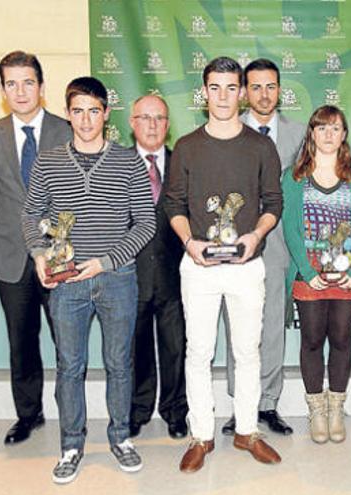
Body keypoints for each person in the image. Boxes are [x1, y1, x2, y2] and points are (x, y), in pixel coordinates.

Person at [22, 77, 155, 483]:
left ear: (106, 114)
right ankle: (71, 445)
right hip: (67, 283)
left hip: (117, 277)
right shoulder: (48, 161)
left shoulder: (128, 161)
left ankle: (120, 438)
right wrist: (41, 255)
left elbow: (145, 223)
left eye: (93, 111)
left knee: (119, 364)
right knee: (70, 366)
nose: (85, 119)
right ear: (68, 113)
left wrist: (107, 260)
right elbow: (31, 216)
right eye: (77, 110)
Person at [164, 56, 283, 472]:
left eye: (232, 87)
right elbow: (173, 203)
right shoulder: (187, 146)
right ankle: (202, 436)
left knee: (247, 351)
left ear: (243, 92)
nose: (223, 96)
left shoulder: (260, 146)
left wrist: (256, 235)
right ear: (204, 92)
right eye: (215, 87)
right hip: (198, 266)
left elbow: (274, 203)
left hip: (246, 265)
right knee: (198, 352)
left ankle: (247, 431)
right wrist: (189, 242)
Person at [0, 50, 72, 445]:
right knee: (22, 340)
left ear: (42, 87)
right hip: (11, 255)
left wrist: (52, 234)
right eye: (11, 83)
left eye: (28, 82)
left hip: (62, 255)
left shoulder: (66, 131)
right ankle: (28, 415)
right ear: (2, 90)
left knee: (68, 339)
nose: (20, 91)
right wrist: (24, 223)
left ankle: (72, 413)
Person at [221, 58, 305, 437]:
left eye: (270, 86)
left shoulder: (300, 134)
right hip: (233, 249)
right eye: (255, 87)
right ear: (242, 92)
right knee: (237, 329)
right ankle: (242, 404)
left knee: (272, 327)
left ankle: (268, 403)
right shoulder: (225, 132)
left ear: (280, 90)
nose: (264, 94)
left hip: (278, 248)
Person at [282, 105, 351, 443]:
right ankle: (316, 410)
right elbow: (290, 227)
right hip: (310, 277)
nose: (329, 135)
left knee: (341, 340)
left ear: (344, 135)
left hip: (346, 277)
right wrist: (307, 272)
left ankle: (336, 406)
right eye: (322, 129)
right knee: (311, 341)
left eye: (335, 128)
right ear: (312, 134)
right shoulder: (294, 176)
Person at [127, 94, 188, 439]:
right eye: (145, 118)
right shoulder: (117, 164)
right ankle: (138, 409)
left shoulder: (183, 162)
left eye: (160, 118)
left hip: (175, 276)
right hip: (129, 276)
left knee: (176, 346)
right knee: (135, 349)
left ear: (168, 124)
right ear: (132, 122)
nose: (152, 125)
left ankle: (176, 411)